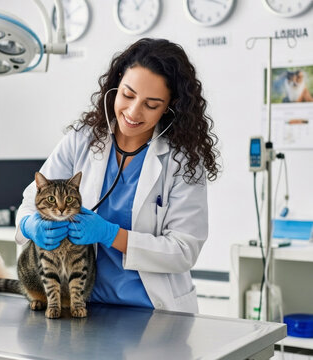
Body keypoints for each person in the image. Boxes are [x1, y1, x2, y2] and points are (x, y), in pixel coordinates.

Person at [15, 38, 220, 313]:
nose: (133, 112)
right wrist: (30, 225)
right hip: (86, 306)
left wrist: (111, 234)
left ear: (170, 106)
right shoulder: (83, 140)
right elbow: (32, 198)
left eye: (151, 104)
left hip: (155, 311)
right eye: (128, 94)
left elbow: (183, 250)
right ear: (116, 84)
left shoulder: (182, 162)